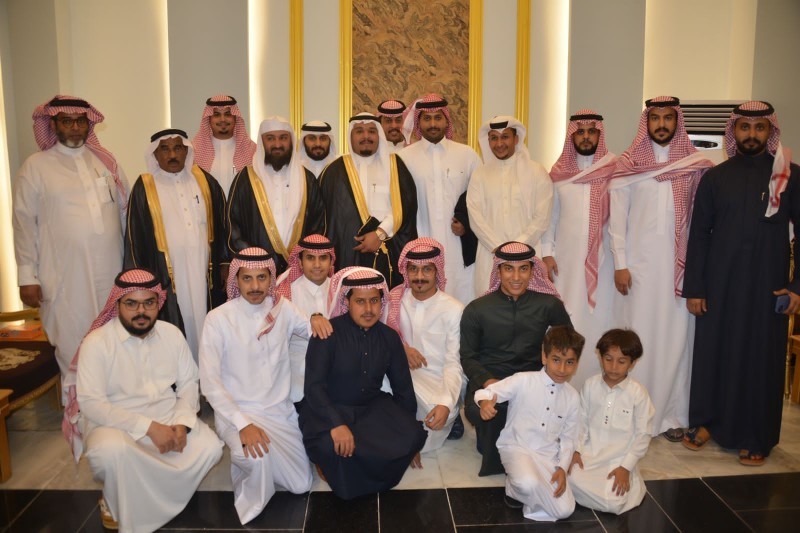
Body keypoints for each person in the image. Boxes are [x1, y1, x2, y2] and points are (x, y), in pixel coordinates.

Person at [682, 101, 800, 466]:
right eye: (744, 127)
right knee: (714, 352)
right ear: (733, 131)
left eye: (759, 127)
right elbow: (699, 236)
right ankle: (707, 422)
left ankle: (756, 436)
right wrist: (695, 288)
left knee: (760, 358)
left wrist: (797, 286)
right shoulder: (715, 178)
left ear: (770, 132)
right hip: (720, 285)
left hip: (769, 286)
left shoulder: (789, 175)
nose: (751, 134)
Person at [65, 268, 223, 532]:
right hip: (115, 425)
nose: (141, 311)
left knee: (210, 448)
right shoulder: (97, 343)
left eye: (149, 303)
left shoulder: (171, 334)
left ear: (158, 303)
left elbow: (188, 383)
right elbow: (92, 404)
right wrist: (149, 428)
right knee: (110, 452)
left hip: (167, 416)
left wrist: (182, 423)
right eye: (131, 303)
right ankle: (114, 500)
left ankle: (152, 498)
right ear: (117, 304)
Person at [200, 247, 331, 524]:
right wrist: (243, 424)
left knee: (300, 484)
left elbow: (311, 328)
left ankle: (260, 464)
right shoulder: (218, 319)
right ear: (236, 280)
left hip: (278, 412)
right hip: (238, 413)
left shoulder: (282, 308)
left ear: (271, 278)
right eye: (247, 278)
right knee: (257, 460)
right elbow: (210, 384)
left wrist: (316, 316)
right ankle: (248, 471)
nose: (255, 286)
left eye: (262, 277)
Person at [608, 96, 713, 441]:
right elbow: (617, 222)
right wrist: (620, 264)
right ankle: (633, 415)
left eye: (669, 118)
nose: (662, 124)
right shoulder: (628, 166)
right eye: (656, 118)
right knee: (638, 339)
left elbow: (702, 223)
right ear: (647, 122)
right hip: (637, 271)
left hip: (678, 271)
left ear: (677, 122)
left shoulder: (695, 167)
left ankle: (671, 416)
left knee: (675, 341)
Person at [13, 95, 128, 382]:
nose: (75, 127)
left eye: (80, 121)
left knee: (114, 338)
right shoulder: (36, 166)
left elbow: (125, 212)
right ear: (53, 124)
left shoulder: (105, 162)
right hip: (64, 275)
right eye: (67, 121)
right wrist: (27, 276)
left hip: (111, 270)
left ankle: (113, 400)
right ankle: (77, 405)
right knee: (72, 339)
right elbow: (24, 223)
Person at [298, 267, 427, 499]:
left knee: (412, 434)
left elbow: (403, 388)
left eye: (374, 301)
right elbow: (314, 388)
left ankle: (339, 462)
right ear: (347, 302)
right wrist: (336, 424)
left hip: (370, 407)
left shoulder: (389, 337)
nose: (368, 309)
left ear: (381, 302)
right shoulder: (328, 334)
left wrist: (411, 441)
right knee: (330, 446)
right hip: (329, 407)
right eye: (360, 301)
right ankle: (324, 460)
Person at [461, 241, 572, 476]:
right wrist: (489, 382)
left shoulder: (549, 305)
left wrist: (548, 376)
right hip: (489, 380)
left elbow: (566, 345)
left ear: (532, 271)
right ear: (499, 270)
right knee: (489, 411)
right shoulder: (477, 309)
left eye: (523, 269)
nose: (516, 277)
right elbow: (468, 357)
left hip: (532, 382)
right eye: (509, 269)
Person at [124, 128, 228, 360]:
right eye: (165, 149)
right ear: (155, 154)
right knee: (175, 323)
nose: (172, 154)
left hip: (204, 272)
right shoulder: (145, 186)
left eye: (178, 148)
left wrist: (224, 261)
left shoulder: (204, 181)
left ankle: (208, 372)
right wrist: (139, 280)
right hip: (166, 274)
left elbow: (222, 223)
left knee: (205, 320)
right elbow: (134, 236)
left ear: (186, 151)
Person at [474, 325, 584, 521]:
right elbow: (486, 392)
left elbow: (569, 438)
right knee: (527, 483)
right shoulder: (523, 380)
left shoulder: (573, 397)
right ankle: (515, 487)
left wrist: (562, 467)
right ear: (544, 357)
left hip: (548, 457)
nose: (562, 369)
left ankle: (531, 490)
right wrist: (485, 403)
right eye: (556, 360)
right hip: (516, 448)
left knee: (565, 510)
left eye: (569, 362)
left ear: (576, 364)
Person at [542, 109, 618, 390]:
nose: (586, 137)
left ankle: (596, 387)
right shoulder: (558, 174)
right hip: (565, 261)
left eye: (592, 132)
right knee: (568, 317)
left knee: (601, 319)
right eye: (580, 132)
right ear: (572, 136)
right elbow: (550, 217)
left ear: (600, 134)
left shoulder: (614, 168)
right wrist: (546, 253)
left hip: (604, 262)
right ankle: (564, 387)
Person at [318, 113, 417, 288]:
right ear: (350, 136)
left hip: (388, 249)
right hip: (347, 253)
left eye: (371, 131)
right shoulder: (334, 171)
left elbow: (405, 204)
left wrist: (380, 233)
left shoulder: (395, 165)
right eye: (359, 131)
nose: (366, 136)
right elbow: (324, 219)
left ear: (379, 134)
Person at [400, 94, 481, 304]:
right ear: (419, 123)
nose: (433, 124)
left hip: (458, 247)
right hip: (420, 243)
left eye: (438, 118)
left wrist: (466, 223)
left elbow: (480, 197)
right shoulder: (404, 158)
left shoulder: (467, 155)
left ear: (447, 120)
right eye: (427, 118)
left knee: (461, 298)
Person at [386, 238, 465, 452]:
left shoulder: (454, 309)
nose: (419, 276)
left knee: (432, 417)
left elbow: (453, 363)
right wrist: (401, 349)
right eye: (413, 269)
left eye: (427, 269)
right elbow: (377, 340)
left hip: (437, 380)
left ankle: (452, 413)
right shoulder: (394, 300)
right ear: (406, 271)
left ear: (437, 271)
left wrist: (445, 403)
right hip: (399, 374)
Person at [569, 328, 654, 514]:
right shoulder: (590, 385)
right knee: (568, 476)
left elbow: (643, 434)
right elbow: (581, 423)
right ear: (600, 358)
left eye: (621, 361)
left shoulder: (638, 393)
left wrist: (625, 467)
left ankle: (631, 481)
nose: (614, 367)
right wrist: (576, 450)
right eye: (608, 359)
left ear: (632, 363)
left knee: (614, 502)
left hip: (619, 459)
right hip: (590, 455)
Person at [467, 116, 553, 295]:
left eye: (505, 137)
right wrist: (498, 248)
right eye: (494, 138)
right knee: (491, 307)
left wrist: (518, 249)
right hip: (490, 254)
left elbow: (542, 217)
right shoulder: (479, 174)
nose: (499, 143)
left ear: (516, 138)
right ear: (488, 141)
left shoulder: (537, 172)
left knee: (528, 307)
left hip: (528, 255)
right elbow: (475, 217)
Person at [227, 116, 324, 274]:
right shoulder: (245, 179)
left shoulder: (307, 179)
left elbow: (318, 225)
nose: (277, 144)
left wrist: (304, 260)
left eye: (283, 138)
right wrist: (255, 260)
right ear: (262, 142)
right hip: (256, 272)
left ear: (291, 141)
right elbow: (233, 226)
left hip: (299, 271)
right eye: (270, 138)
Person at [274, 234, 337, 403]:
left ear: (331, 261)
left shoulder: (340, 289)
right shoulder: (285, 292)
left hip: (337, 358)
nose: (317, 265)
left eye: (323, 258)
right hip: (298, 359)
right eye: (310, 258)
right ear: (300, 262)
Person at [192, 94, 257, 197]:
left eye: (228, 114)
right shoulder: (194, 151)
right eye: (216, 114)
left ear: (235, 118)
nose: (222, 119)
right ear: (209, 119)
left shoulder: (252, 150)